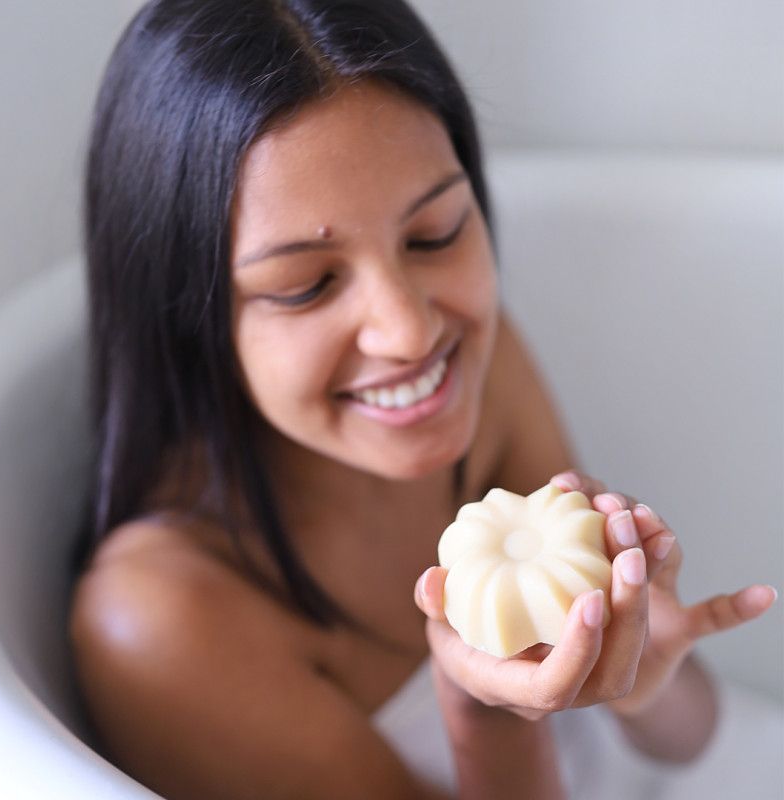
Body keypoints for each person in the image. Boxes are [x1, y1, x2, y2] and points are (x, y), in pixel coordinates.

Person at [68, 1, 777, 798]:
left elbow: (689, 744)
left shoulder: (475, 366)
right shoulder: (168, 621)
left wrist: (651, 677)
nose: (410, 332)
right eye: (307, 286)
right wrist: (484, 713)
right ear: (185, 316)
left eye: (434, 234)